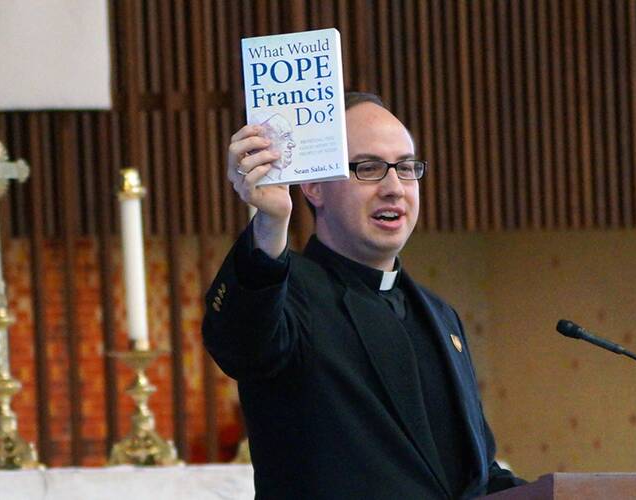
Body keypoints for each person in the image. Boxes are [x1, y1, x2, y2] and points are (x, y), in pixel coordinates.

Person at [202, 92, 524, 499]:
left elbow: (475, 478)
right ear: (315, 185)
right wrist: (269, 226)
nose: (394, 187)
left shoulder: (442, 316)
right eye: (369, 168)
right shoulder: (283, 290)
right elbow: (239, 344)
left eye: (405, 169)